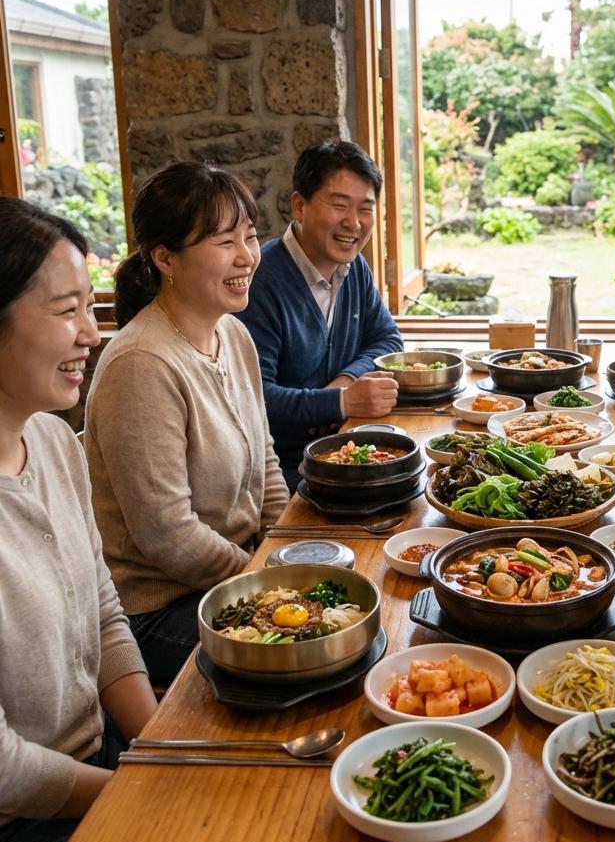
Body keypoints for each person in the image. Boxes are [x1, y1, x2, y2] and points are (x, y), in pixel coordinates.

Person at [85, 161, 290, 683]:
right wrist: (267, 580)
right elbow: (169, 536)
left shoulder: (233, 334)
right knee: (319, 652)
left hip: (236, 576)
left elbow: (266, 462)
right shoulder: (141, 363)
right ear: (164, 257)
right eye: (224, 242)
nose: (247, 256)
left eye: (250, 236)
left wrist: (283, 551)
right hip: (159, 610)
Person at [0, 198, 157, 842]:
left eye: (90, 308)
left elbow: (102, 611)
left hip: (101, 762)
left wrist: (161, 749)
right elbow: (6, 771)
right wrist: (140, 793)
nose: (92, 334)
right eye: (67, 311)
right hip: (21, 823)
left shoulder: (54, 441)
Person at [239, 140, 403, 489]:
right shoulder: (259, 282)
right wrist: (340, 403)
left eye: (365, 209)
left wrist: (346, 381)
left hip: (347, 456)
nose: (353, 223)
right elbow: (254, 398)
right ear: (299, 206)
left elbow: (387, 339)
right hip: (283, 474)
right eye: (339, 205)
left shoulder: (355, 268)